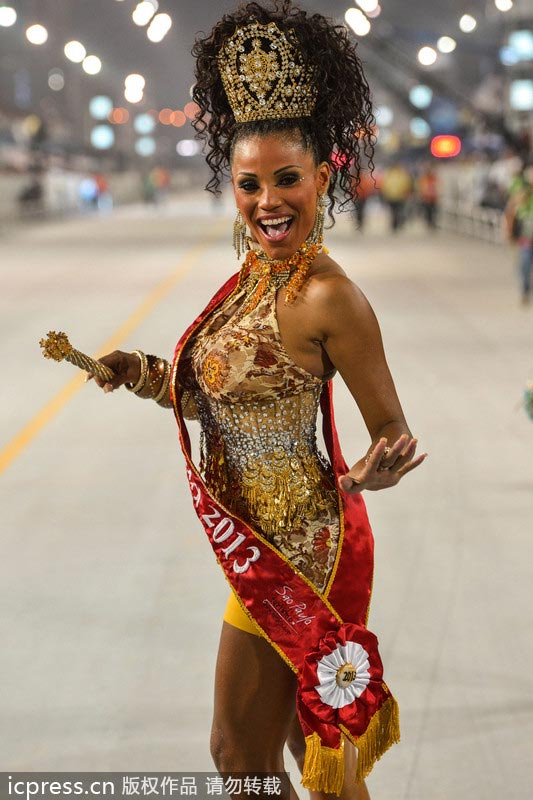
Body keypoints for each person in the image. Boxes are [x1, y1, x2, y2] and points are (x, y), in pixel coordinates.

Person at [87, 2, 426, 797]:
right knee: (269, 758)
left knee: (252, 755)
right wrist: (135, 370)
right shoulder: (250, 283)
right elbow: (220, 401)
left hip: (306, 553)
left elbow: (392, 428)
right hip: (255, 545)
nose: (267, 201)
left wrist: (382, 465)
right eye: (248, 184)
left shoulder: (327, 297)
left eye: (285, 180)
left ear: (322, 177)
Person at [504, 163, 533, 305]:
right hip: (525, 240)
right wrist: (509, 232)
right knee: (524, 267)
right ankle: (525, 291)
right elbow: (511, 213)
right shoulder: (522, 195)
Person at [380, 162, 412, 232]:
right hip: (396, 196)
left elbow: (385, 185)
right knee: (396, 212)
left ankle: (395, 224)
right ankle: (395, 224)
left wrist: (385, 193)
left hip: (395, 196)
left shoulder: (391, 174)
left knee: (395, 212)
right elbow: (406, 184)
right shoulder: (401, 174)